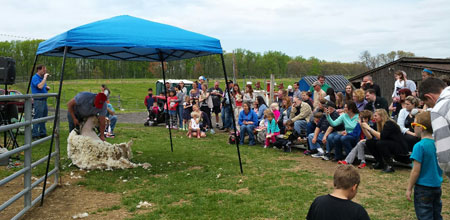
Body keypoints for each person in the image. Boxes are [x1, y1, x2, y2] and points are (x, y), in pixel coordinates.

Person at [406, 111, 443, 220]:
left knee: (425, 216)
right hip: (437, 186)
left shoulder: (419, 146)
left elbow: (416, 171)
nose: (413, 128)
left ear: (421, 128)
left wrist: (409, 188)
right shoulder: (438, 144)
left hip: (423, 188)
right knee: (436, 215)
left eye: (414, 125)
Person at [418, 77, 450, 179]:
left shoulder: (439, 109)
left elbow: (445, 158)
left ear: (429, 97)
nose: (430, 107)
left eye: (428, 105)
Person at [31, 64, 50, 140]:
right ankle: (35, 134)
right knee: (38, 117)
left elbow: (42, 87)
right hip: (38, 100)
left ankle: (42, 133)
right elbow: (39, 86)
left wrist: (46, 88)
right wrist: (45, 78)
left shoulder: (41, 78)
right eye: (44, 70)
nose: (45, 71)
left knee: (44, 117)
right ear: (39, 70)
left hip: (44, 100)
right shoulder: (35, 78)